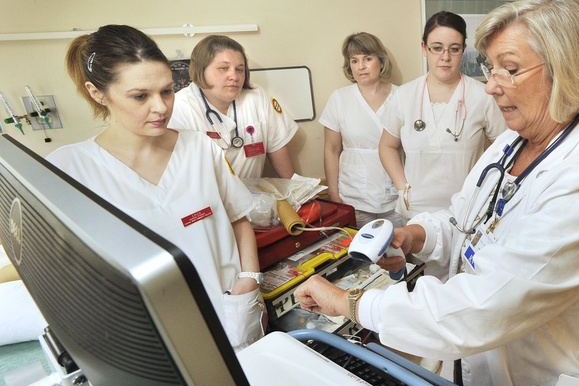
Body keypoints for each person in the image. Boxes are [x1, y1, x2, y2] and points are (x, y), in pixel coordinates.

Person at [295, 0, 579, 386]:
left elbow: (486, 306)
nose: (492, 86)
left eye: (509, 68)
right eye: (490, 68)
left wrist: (353, 305)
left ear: (565, 68)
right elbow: (462, 218)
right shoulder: (511, 143)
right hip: (494, 374)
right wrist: (417, 234)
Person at [48, 25, 265, 351]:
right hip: (145, 336)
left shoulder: (200, 148)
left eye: (166, 91)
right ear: (98, 94)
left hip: (231, 312)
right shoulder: (70, 169)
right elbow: (70, 275)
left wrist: (250, 280)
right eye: (140, 96)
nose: (161, 107)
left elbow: (238, 219)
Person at [378, 11, 507, 223]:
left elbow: (504, 150)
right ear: (424, 49)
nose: (445, 57)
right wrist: (403, 188)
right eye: (437, 48)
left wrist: (485, 191)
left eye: (454, 49)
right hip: (416, 210)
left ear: (463, 50)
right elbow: (387, 146)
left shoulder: (482, 96)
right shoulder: (404, 95)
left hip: (466, 209)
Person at [169, 35, 298, 179]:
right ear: (201, 70)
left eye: (239, 69)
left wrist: (295, 191)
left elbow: (277, 146)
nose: (234, 76)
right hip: (207, 199)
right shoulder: (179, 108)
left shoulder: (256, 97)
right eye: (224, 68)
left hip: (253, 196)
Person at [319, 32, 403, 228]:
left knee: (398, 252)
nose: (361, 66)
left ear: (381, 61)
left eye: (367, 59)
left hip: (394, 196)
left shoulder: (401, 96)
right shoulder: (339, 99)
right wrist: (333, 192)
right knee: (359, 254)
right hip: (353, 196)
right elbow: (331, 149)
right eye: (354, 61)